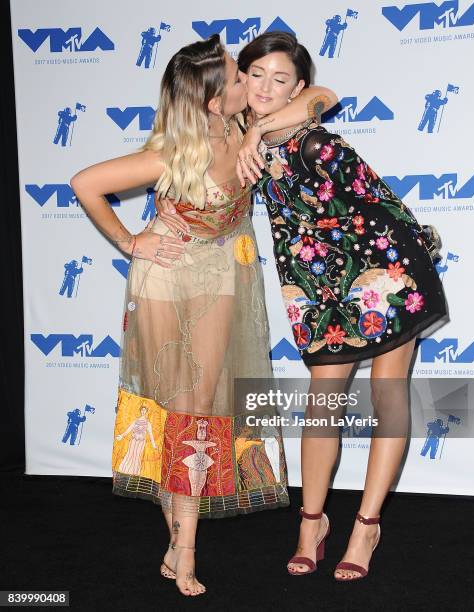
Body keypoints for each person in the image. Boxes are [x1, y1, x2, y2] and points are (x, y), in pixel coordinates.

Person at [71, 35, 294, 597]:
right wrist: (132, 241)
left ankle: (179, 536)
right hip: (166, 276)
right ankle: (186, 545)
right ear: (214, 101)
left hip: (222, 270)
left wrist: (263, 128)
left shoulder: (248, 126)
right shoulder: (173, 151)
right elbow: (86, 184)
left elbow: (319, 94)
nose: (251, 80)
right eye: (239, 77)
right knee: (176, 405)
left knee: (199, 406)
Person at [236, 31, 449, 581]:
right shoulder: (237, 130)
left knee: (388, 394)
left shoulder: (314, 141)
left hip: (386, 272)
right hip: (316, 285)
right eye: (255, 74)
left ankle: (366, 525)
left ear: (296, 88)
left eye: (280, 79)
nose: (265, 86)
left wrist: (261, 126)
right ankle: (312, 521)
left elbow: (324, 94)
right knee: (321, 403)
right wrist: (251, 130)